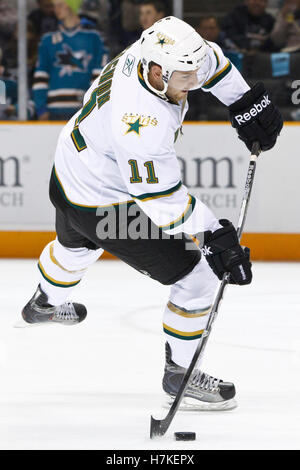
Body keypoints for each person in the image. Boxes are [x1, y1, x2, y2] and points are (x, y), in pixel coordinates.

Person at [22, 17, 282, 410]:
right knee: (199, 277)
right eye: (185, 77)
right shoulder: (140, 122)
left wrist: (245, 102)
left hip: (70, 170)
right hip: (105, 202)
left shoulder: (162, 53)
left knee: (76, 248)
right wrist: (213, 235)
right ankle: (180, 373)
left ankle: (42, 303)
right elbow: (159, 199)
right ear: (157, 72)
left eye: (194, 73)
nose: (194, 81)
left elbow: (211, 65)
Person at [32, 0, 108, 120]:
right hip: (53, 110)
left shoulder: (94, 38)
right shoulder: (47, 40)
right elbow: (41, 76)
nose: (56, 10)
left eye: (61, 5)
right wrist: (41, 108)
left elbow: (99, 76)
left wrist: (91, 107)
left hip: (82, 110)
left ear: (72, 5)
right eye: (54, 6)